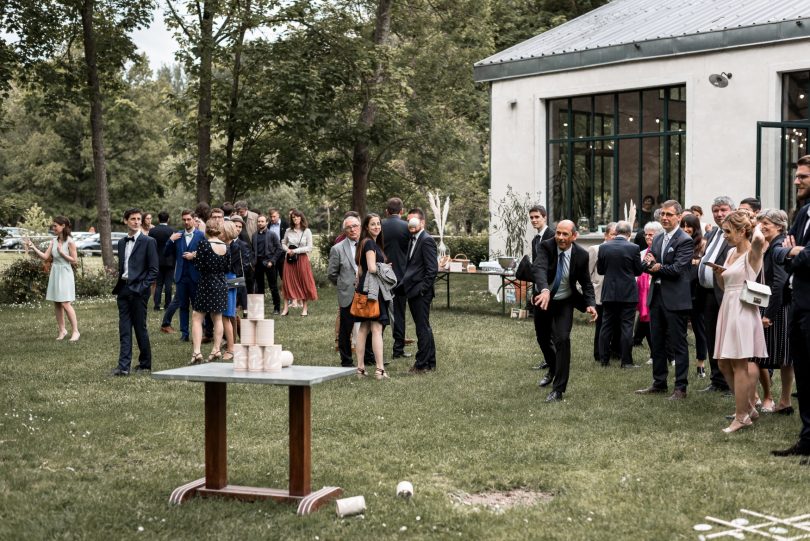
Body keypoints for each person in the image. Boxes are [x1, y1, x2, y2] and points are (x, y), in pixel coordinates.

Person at [712, 210, 767, 432]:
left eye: (728, 231)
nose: (724, 235)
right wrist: (719, 275)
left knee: (739, 363)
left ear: (742, 231)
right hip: (728, 307)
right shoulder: (730, 253)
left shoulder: (753, 253)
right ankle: (748, 406)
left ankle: (742, 415)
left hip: (742, 310)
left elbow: (759, 239)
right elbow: (727, 286)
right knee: (723, 363)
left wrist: (754, 222)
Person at [636, 200, 694, 400]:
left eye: (669, 214)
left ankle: (681, 387)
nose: (665, 218)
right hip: (656, 297)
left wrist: (658, 267)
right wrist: (653, 265)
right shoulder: (658, 238)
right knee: (657, 341)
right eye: (663, 214)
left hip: (675, 298)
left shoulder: (684, 240)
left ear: (679, 216)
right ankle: (659, 382)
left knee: (678, 343)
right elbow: (644, 263)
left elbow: (678, 269)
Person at [532, 220, 597, 401]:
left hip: (564, 302)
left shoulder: (582, 255)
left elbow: (586, 282)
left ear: (574, 236)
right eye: (558, 233)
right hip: (543, 300)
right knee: (543, 339)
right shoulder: (546, 246)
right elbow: (540, 268)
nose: (560, 237)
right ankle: (553, 368)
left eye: (565, 234)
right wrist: (544, 290)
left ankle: (558, 389)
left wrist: (590, 303)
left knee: (563, 339)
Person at [772, 155, 810, 458]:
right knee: (805, 376)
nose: (797, 181)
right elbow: (778, 250)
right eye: (797, 176)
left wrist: (795, 252)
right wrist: (794, 252)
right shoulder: (802, 213)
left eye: (803, 177)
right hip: (797, 302)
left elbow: (804, 256)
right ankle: (807, 440)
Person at [111, 208, 158, 376]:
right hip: (123, 289)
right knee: (124, 329)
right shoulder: (122, 242)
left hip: (139, 291)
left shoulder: (149, 241)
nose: (137, 221)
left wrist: (141, 287)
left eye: (139, 219)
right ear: (125, 221)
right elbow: (123, 266)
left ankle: (145, 364)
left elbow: (153, 270)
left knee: (140, 328)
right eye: (133, 219)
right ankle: (123, 367)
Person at [755, 209, 794, 415]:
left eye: (766, 223)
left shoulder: (778, 245)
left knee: (776, 357)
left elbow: (779, 283)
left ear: (779, 226)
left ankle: (782, 401)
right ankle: (784, 402)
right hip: (782, 306)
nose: (761, 226)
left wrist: (769, 313)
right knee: (786, 359)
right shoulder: (775, 244)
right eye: (760, 222)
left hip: (778, 308)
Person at [696, 196, 736, 393]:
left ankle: (730, 383)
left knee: (727, 338)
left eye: (723, 210)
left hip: (726, 293)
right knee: (711, 337)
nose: (719, 214)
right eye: (715, 210)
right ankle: (717, 380)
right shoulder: (712, 234)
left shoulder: (736, 235)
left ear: (732, 211)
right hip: (708, 294)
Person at [354, 213, 396, 380]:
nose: (377, 226)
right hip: (373, 290)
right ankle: (379, 370)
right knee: (377, 328)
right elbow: (372, 268)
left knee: (364, 328)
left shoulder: (363, 243)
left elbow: (360, 270)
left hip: (365, 287)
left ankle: (360, 369)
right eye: (373, 224)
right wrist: (384, 267)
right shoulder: (370, 243)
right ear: (366, 227)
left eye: (378, 224)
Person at [25, 216, 80, 341]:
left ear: (63, 226)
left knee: (65, 303)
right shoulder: (53, 241)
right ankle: (62, 330)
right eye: (53, 225)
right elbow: (45, 257)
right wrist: (33, 246)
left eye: (55, 225)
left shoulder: (70, 241)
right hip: (55, 272)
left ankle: (76, 331)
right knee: (57, 302)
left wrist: (62, 254)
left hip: (65, 272)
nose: (53, 227)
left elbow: (75, 260)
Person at [396, 208, 438, 373]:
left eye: (414, 220)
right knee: (424, 327)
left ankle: (421, 364)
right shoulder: (413, 239)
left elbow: (432, 269)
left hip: (420, 292)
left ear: (422, 223)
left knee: (422, 328)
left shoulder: (426, 240)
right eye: (409, 221)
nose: (410, 224)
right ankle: (430, 362)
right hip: (413, 290)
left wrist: (422, 289)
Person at [597, 221, 643, 368]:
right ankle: (626, 361)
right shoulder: (634, 248)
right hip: (628, 293)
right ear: (629, 234)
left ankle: (604, 360)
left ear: (616, 232)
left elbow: (600, 270)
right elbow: (638, 271)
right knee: (627, 327)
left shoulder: (604, 247)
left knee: (606, 326)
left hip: (609, 291)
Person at [189, 218, 230, 364]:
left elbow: (199, 265)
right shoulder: (226, 246)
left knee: (197, 317)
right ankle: (216, 349)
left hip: (206, 283)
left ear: (207, 229)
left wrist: (194, 257)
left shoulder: (204, 244)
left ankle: (197, 352)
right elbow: (227, 268)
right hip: (221, 284)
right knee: (217, 318)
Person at [161, 209, 204, 341]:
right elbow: (165, 253)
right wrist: (170, 240)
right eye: (184, 219)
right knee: (183, 306)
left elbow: (206, 254)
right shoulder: (177, 235)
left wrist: (194, 255)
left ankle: (200, 333)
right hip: (181, 277)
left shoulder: (201, 235)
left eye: (188, 219)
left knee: (198, 308)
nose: (186, 222)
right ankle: (184, 334)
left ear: (193, 220)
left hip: (196, 276)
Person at [328, 216, 362, 367]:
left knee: (367, 326)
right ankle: (346, 360)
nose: (353, 229)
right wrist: (344, 283)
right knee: (345, 328)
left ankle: (368, 357)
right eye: (349, 227)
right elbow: (332, 274)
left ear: (360, 227)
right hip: (347, 293)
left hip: (366, 292)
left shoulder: (367, 244)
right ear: (345, 230)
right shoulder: (337, 249)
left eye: (355, 226)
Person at [381, 197, 411, 359]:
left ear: (387, 211)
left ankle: (374, 348)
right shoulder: (407, 227)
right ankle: (398, 349)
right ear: (402, 211)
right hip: (401, 275)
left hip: (382, 274)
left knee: (380, 312)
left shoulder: (379, 226)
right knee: (399, 312)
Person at [681, 213, 707, 378]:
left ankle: (701, 364)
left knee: (700, 330)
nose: (685, 229)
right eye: (683, 225)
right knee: (679, 330)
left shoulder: (703, 244)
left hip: (698, 295)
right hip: (681, 293)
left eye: (689, 225)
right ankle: (679, 362)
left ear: (696, 227)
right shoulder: (680, 243)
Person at [587, 222, 618, 363]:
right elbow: (587, 272)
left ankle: (613, 351)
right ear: (606, 235)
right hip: (600, 292)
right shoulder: (595, 249)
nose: (615, 238)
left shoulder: (620, 249)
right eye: (613, 235)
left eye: (618, 235)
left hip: (616, 293)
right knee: (601, 325)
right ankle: (598, 353)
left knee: (616, 325)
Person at [633, 221, 663, 358]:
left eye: (651, 235)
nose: (648, 238)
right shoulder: (642, 252)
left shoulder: (662, 251)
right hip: (642, 292)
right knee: (645, 322)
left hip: (657, 290)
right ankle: (653, 353)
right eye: (646, 235)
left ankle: (668, 354)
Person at [281, 210, 318, 316]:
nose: (295, 219)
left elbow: (310, 247)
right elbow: (283, 242)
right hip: (289, 260)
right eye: (293, 217)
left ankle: (305, 309)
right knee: (287, 282)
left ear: (301, 218)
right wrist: (287, 250)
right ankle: (285, 309)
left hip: (302, 259)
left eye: (297, 217)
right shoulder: (289, 230)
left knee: (303, 282)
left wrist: (295, 251)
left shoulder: (307, 231)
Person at [252, 214, 283, 314]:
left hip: (269, 263)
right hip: (258, 264)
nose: (260, 223)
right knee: (259, 287)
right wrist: (253, 262)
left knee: (273, 286)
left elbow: (279, 249)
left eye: (262, 221)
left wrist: (272, 261)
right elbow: (253, 250)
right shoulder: (254, 235)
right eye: (259, 221)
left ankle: (277, 308)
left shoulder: (272, 234)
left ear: (266, 222)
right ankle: (260, 309)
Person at [220, 220, 241, 361]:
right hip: (226, 280)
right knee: (224, 316)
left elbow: (234, 269)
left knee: (226, 315)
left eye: (221, 231)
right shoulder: (225, 245)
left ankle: (231, 348)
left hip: (230, 280)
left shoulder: (234, 247)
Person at [149, 211, 176, 312]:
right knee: (168, 284)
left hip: (157, 260)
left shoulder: (153, 231)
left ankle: (156, 305)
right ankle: (167, 305)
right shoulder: (172, 230)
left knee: (158, 284)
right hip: (170, 260)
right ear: (168, 219)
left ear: (158, 219)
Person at [267, 208, 288, 278]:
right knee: (272, 274)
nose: (272, 219)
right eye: (271, 217)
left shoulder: (285, 224)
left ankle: (285, 288)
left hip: (282, 252)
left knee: (284, 274)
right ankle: (274, 289)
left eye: (274, 216)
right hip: (271, 253)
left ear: (278, 215)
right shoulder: (268, 225)